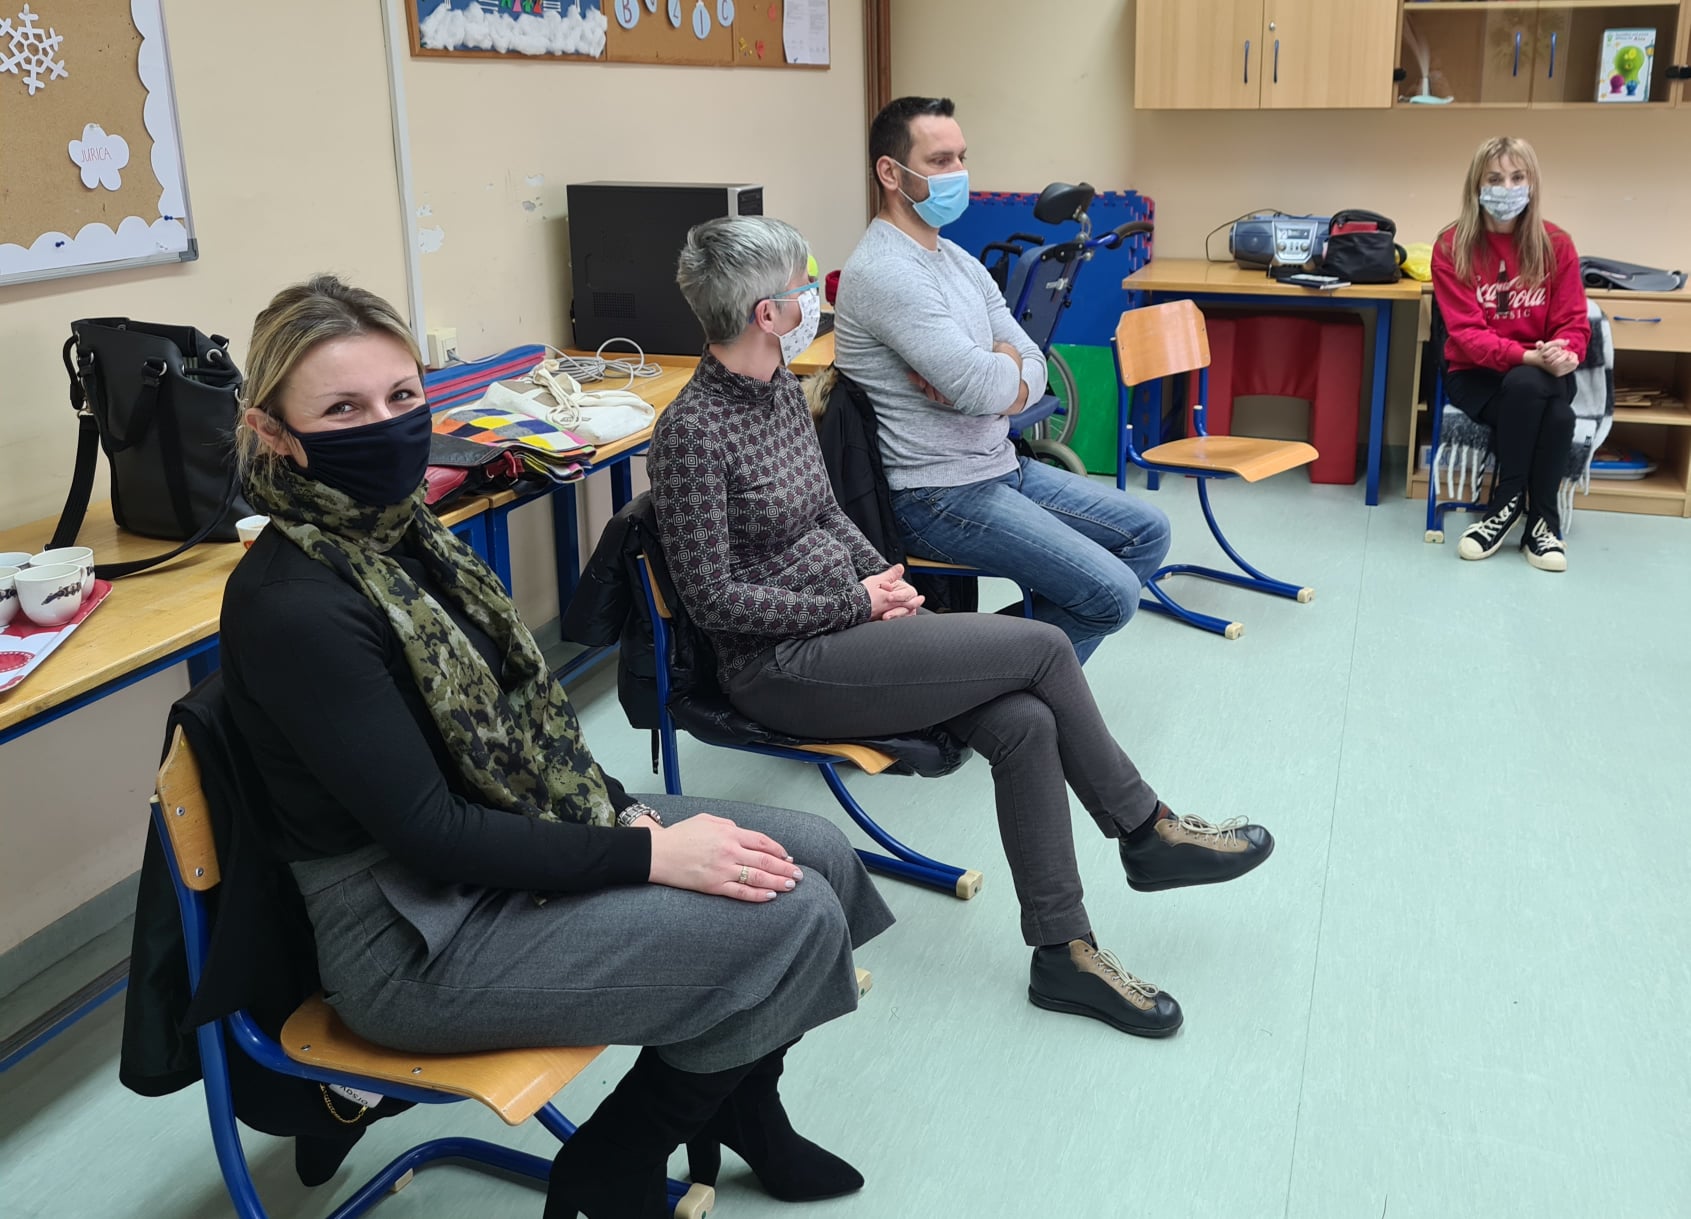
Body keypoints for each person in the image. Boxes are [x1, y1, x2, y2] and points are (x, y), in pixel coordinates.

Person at [219, 275, 896, 1218]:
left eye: (401, 395)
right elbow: (431, 835)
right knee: (790, 917)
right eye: (343, 409)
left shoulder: (402, 536)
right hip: (412, 935)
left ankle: (743, 1108)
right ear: (273, 432)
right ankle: (613, 1162)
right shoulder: (295, 603)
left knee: (817, 853)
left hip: (493, 843)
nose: (385, 424)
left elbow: (520, 741)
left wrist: (622, 814)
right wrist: (649, 852)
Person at [648, 216, 1276, 1043]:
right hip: (780, 665)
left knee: (1023, 722)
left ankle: (1063, 953)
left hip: (852, 628)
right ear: (767, 314)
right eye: (802, 286)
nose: (813, 296)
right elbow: (713, 599)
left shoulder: (780, 394)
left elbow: (828, 513)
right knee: (1042, 648)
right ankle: (1144, 828)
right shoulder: (691, 432)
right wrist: (856, 603)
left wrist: (886, 582)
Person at [832, 96, 1172, 662]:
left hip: (999, 465)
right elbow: (989, 385)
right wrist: (997, 375)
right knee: (1111, 595)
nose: (958, 173)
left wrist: (999, 370)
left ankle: (1001, 674)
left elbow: (1030, 361)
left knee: (1148, 532)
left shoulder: (957, 260)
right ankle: (985, 675)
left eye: (961, 157)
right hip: (935, 493)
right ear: (890, 173)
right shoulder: (887, 271)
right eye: (939, 161)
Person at [1431, 135, 1588, 572]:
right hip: (1475, 374)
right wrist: (1529, 358)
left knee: (1530, 385)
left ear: (1532, 183)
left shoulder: (1556, 244)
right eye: (1495, 179)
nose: (1507, 188)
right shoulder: (1451, 246)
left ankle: (1504, 507)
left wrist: (1568, 352)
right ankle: (1541, 523)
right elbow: (1466, 336)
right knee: (1557, 415)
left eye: (1518, 177)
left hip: (1545, 371)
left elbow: (1574, 322)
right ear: (1476, 185)